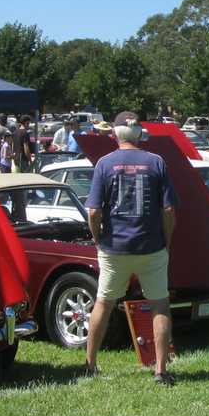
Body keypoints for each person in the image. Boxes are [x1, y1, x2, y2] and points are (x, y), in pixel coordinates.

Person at [84, 111, 178, 384]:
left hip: (115, 247)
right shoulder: (156, 162)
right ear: (139, 134)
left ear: (114, 133)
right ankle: (161, 369)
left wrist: (97, 238)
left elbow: (93, 211)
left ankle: (90, 364)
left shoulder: (104, 163)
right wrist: (167, 239)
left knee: (103, 302)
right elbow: (169, 208)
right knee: (159, 304)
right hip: (151, 246)